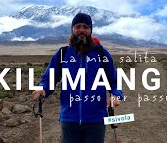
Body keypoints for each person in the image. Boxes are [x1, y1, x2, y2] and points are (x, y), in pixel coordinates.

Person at [32, 12, 123, 143]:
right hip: (69, 118)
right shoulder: (62, 54)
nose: (81, 30)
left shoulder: (101, 53)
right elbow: (49, 79)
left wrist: (116, 95)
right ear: (72, 29)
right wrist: (43, 89)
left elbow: (114, 82)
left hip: (96, 119)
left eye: (85, 27)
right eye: (78, 26)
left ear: (90, 30)